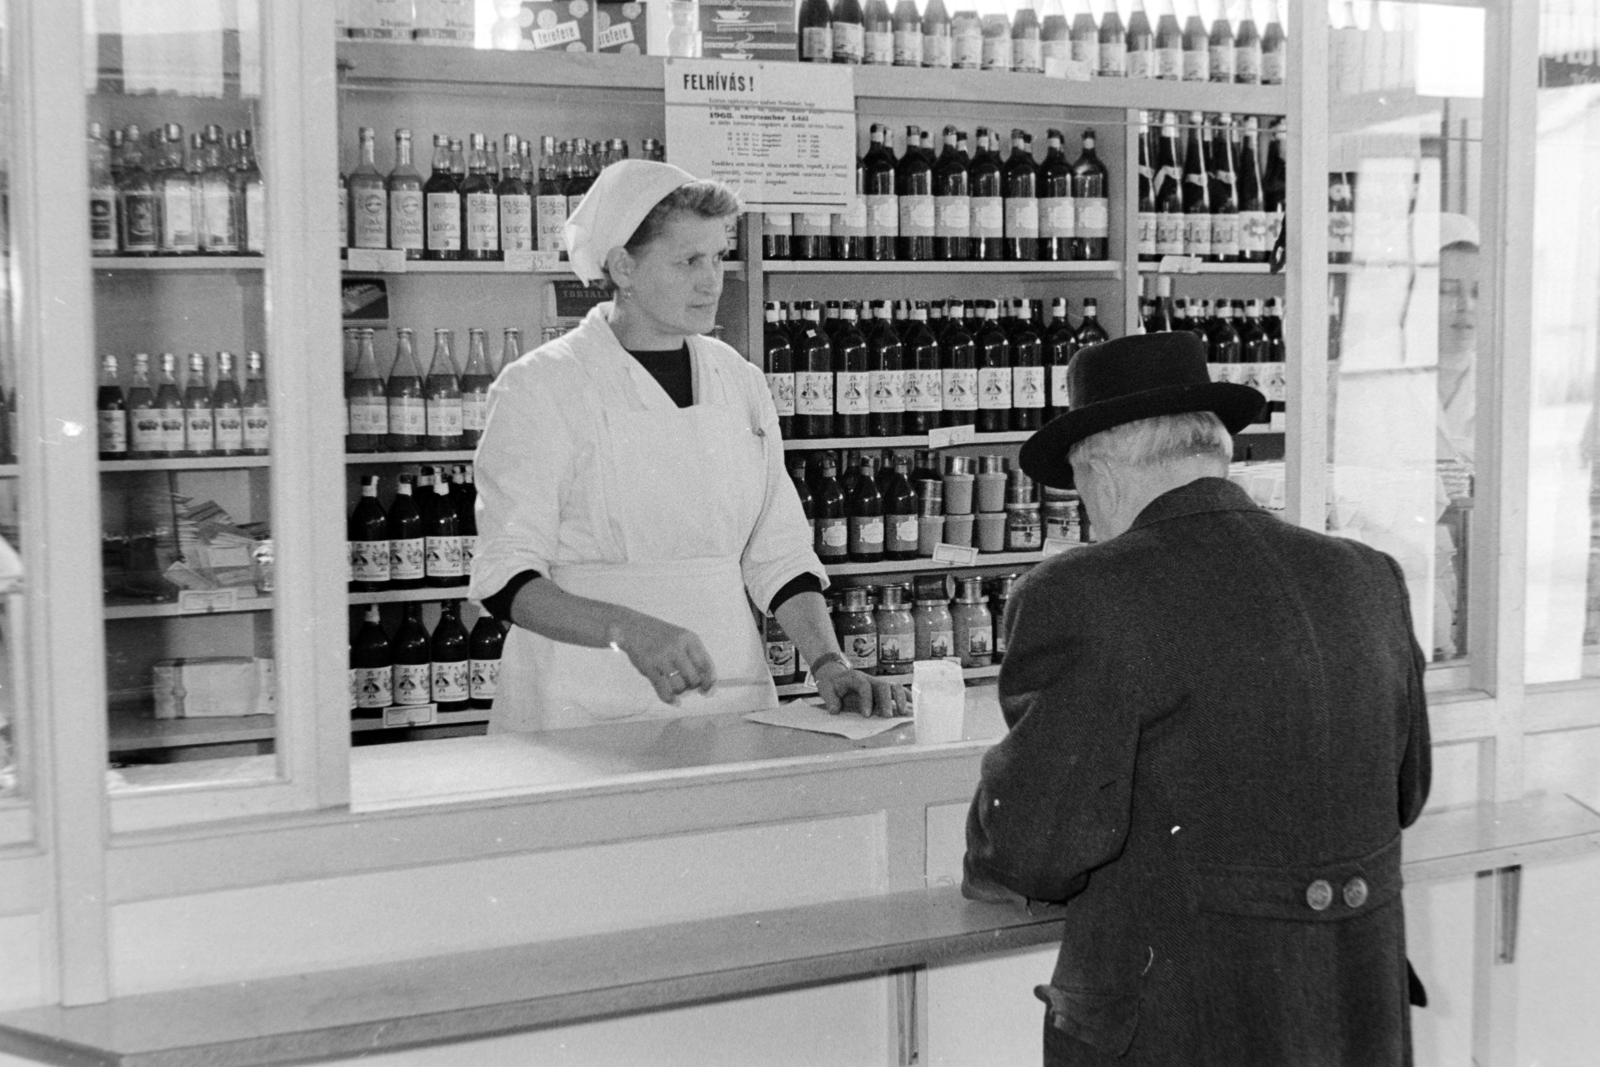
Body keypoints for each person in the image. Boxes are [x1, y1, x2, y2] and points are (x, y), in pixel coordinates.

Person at [963, 332, 1432, 1066]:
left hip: (1179, 1030)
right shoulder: (1369, 575)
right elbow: (1407, 791)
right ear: (1215, 453)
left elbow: (1033, 850)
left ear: (1103, 472)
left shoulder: (1084, 593)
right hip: (1350, 1018)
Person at [470, 159, 907, 730]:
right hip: (581, 703)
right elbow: (506, 579)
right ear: (624, 267)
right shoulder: (541, 385)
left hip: (732, 691)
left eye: (719, 256)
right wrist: (628, 629)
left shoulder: (738, 379)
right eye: (689, 261)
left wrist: (828, 662)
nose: (712, 280)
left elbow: (779, 554)